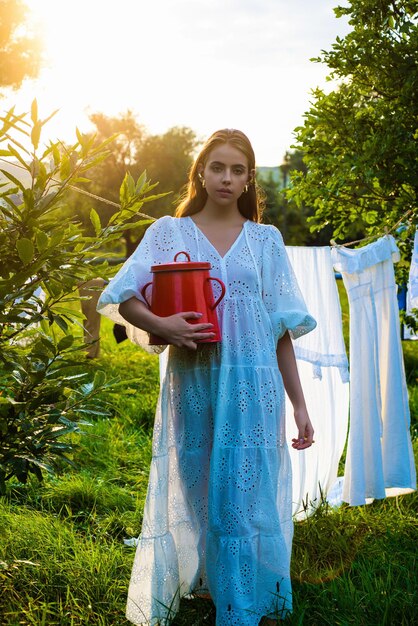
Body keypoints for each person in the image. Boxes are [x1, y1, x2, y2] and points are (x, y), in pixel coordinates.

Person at [97, 129, 316, 626]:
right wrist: (160, 324)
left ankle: (240, 600)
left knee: (246, 490)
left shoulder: (266, 240)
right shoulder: (167, 233)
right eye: (218, 167)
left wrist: (300, 404)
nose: (226, 177)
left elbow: (281, 329)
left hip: (253, 385)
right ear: (200, 171)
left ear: (248, 181)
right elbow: (123, 294)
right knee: (197, 487)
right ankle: (206, 581)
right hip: (192, 381)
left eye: (238, 170)